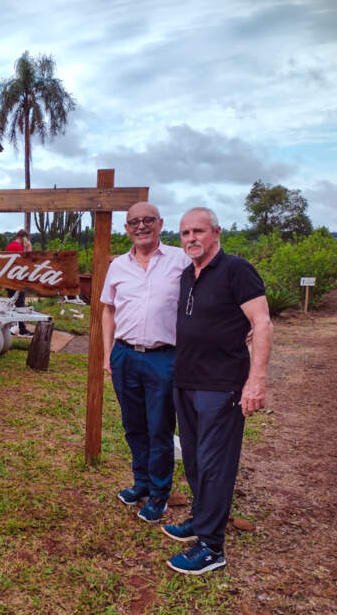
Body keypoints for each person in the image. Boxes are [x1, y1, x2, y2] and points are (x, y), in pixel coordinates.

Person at [163, 207, 272, 575]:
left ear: (216, 233)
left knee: (215, 465)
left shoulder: (236, 271)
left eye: (198, 231)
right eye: (184, 233)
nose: (191, 238)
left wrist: (254, 382)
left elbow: (262, 323)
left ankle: (212, 548)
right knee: (194, 461)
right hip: (187, 382)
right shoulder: (186, 276)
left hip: (221, 385)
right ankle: (202, 518)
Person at [101, 202, 191, 522]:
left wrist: (243, 320)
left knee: (160, 428)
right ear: (126, 228)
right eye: (134, 222)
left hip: (163, 357)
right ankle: (140, 484)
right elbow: (108, 309)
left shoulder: (181, 261)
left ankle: (159, 494)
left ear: (160, 223)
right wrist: (107, 351)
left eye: (147, 220)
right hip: (125, 355)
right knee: (133, 426)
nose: (141, 226)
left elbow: (209, 293)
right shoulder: (118, 266)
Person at [5, 229, 33, 337]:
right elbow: (27, 263)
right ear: (24, 238)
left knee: (12, 305)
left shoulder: (10, 246)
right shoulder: (18, 248)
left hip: (8, 280)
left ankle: (15, 328)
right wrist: (29, 249)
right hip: (16, 281)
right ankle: (22, 330)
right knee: (20, 305)